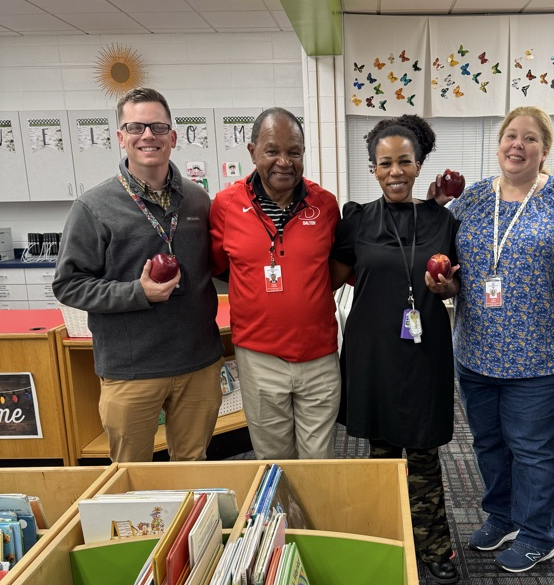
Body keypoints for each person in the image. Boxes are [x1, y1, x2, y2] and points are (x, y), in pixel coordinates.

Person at [431, 105, 554, 572]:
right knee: (488, 444)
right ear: (499, 143)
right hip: (477, 352)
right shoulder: (474, 199)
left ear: (545, 150)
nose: (517, 145)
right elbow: (453, 261)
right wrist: (447, 285)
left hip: (541, 357)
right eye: (510, 135)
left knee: (534, 451)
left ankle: (539, 533)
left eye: (529, 138)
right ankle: (502, 516)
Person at [53, 86, 224, 463]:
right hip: (131, 370)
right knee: (132, 475)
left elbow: (215, 264)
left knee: (193, 467)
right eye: (136, 127)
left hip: (197, 362)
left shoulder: (197, 199)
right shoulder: (93, 207)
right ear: (121, 137)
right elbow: (68, 285)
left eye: (158, 127)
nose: (148, 135)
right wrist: (138, 292)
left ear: (173, 137)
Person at [330, 114, 461, 584]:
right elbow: (329, 279)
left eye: (404, 161)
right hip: (373, 351)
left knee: (423, 449)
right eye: (385, 163)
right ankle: (387, 538)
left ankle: (434, 545)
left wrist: (446, 288)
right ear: (373, 169)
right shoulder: (356, 220)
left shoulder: (443, 220)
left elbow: (456, 285)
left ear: (419, 164)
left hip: (424, 351)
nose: (395, 171)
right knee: (382, 453)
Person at [209, 107, 341, 460]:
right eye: (272, 151)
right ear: (252, 151)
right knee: (273, 459)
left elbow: (336, 268)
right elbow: (221, 267)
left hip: (319, 355)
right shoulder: (225, 205)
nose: (284, 162)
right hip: (259, 357)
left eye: (294, 152)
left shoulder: (325, 205)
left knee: (320, 460)